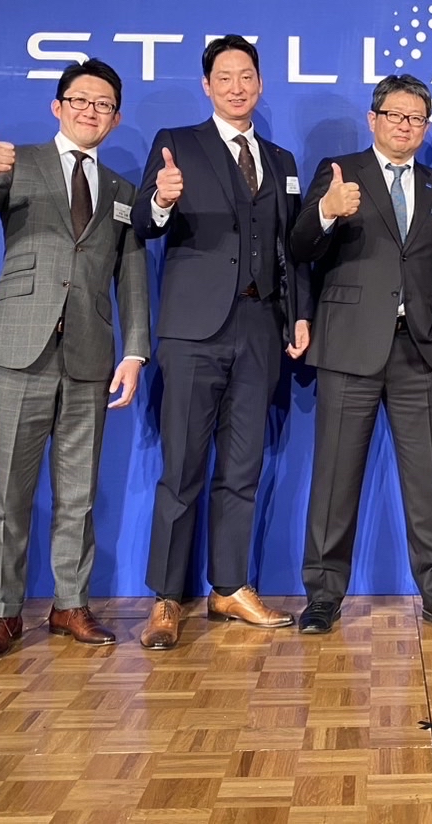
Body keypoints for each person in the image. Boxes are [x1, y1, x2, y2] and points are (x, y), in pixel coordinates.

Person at [0, 58, 150, 660]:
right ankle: (4, 613)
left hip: (89, 354)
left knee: (78, 494)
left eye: (103, 105)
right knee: (11, 492)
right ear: (58, 107)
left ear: (115, 118)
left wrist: (135, 350)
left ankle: (69, 605)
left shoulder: (122, 191)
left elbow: (132, 278)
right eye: (80, 100)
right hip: (19, 348)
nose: (91, 112)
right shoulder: (16, 163)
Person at [130, 35, 311, 650]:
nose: (237, 86)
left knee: (242, 466)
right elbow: (143, 222)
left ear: (261, 84)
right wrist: (161, 199)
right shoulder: (176, 144)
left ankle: (229, 587)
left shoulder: (282, 160)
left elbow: (289, 248)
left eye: (247, 76)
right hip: (193, 331)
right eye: (225, 77)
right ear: (207, 86)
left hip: (260, 328)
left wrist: (298, 314)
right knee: (182, 467)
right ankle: (166, 598)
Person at [289, 74, 432, 635]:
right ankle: (323, 595)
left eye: (417, 118)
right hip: (349, 346)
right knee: (334, 477)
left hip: (419, 350)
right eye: (395, 115)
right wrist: (326, 212)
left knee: (428, 482)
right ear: (373, 119)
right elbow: (298, 247)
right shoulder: (340, 172)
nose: (405, 126)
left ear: (426, 126)